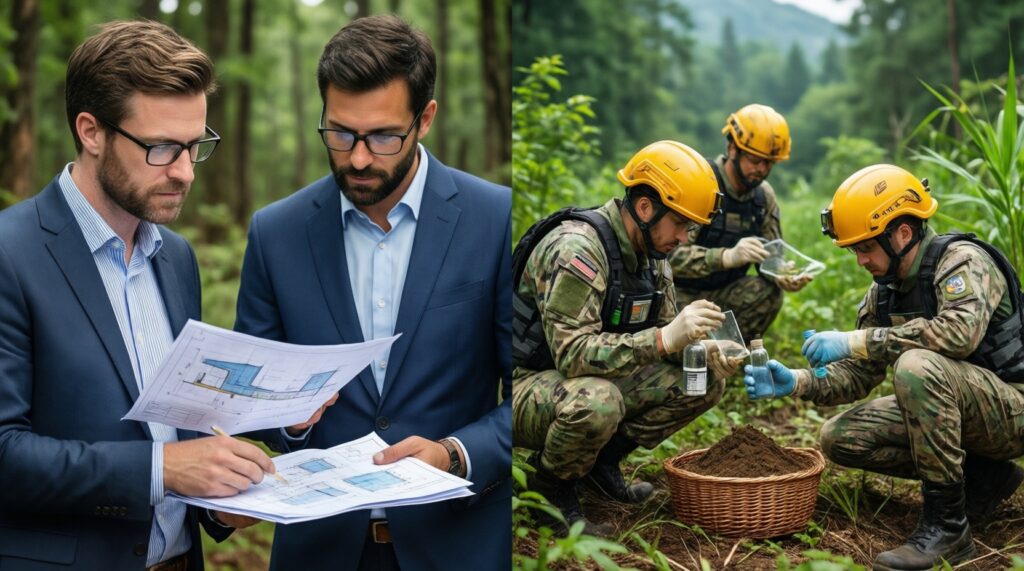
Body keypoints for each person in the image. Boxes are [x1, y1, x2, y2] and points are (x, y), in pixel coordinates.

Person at [0, 20, 287, 570]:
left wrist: (219, 500)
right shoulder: (11, 255)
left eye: (194, 145)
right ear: (91, 131)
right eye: (160, 147)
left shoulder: (176, 258)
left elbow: (180, 429)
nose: (184, 172)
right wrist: (161, 469)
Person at [233, 15, 511, 571]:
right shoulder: (276, 232)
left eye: (383, 136)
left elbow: (529, 390)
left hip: (459, 546)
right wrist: (292, 419)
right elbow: (250, 399)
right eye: (339, 134)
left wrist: (457, 454)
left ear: (425, 118)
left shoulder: (496, 218)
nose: (358, 158)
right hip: (319, 551)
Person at [744, 164, 1024, 570]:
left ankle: (947, 525)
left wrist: (854, 340)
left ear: (902, 234)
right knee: (840, 437)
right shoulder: (884, 295)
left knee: (917, 366)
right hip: (970, 412)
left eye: (865, 248)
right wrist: (797, 382)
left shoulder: (963, 262)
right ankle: (983, 476)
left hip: (1012, 408)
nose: (860, 260)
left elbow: (957, 335)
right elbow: (858, 376)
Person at [512, 140, 744, 535]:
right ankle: (550, 491)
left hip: (579, 380)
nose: (685, 238)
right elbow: (572, 355)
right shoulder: (578, 249)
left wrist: (704, 349)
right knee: (599, 402)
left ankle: (598, 464)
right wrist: (664, 339)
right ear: (645, 207)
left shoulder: (654, 257)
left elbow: (671, 338)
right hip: (520, 385)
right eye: (682, 224)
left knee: (701, 380)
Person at [671, 104, 811, 340]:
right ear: (732, 148)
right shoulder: (702, 183)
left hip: (724, 293)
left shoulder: (762, 197)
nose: (761, 169)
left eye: (769, 163)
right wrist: (727, 257)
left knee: (769, 292)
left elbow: (772, 256)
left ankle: (726, 357)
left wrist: (782, 274)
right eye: (755, 160)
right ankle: (693, 357)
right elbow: (669, 259)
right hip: (677, 294)